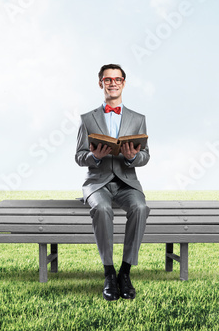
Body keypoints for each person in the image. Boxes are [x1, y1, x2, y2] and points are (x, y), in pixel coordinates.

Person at [75, 63, 150, 301]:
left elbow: (146, 155)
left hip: (127, 182)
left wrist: (133, 157)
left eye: (117, 79)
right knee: (101, 207)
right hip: (98, 182)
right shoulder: (88, 119)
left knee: (140, 207)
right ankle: (109, 273)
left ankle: (125, 272)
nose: (113, 83)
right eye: (108, 80)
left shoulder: (138, 119)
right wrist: (94, 157)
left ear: (124, 83)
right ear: (101, 84)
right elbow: (79, 156)